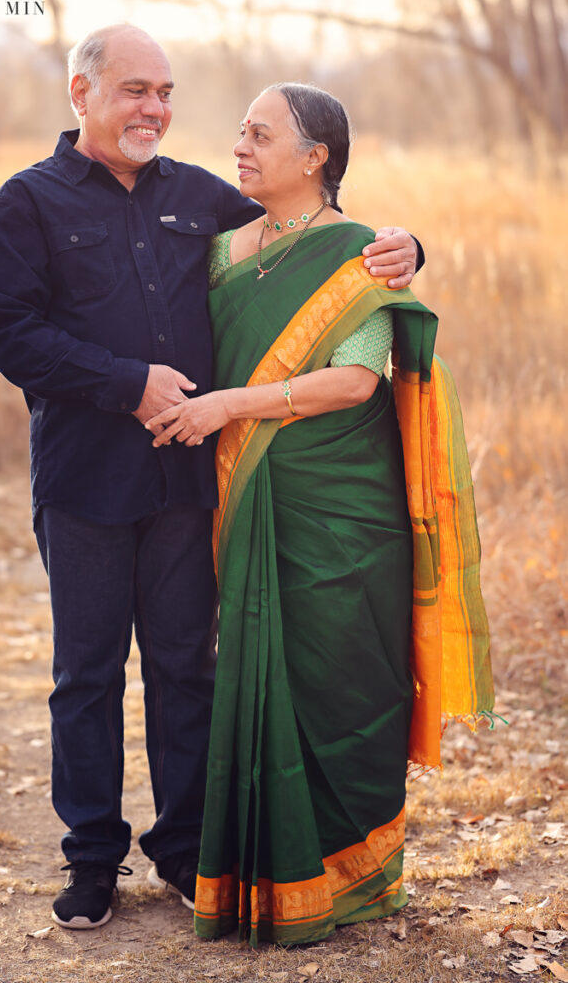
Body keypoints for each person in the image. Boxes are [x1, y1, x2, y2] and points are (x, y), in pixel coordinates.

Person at [0, 26, 423, 932]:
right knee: (86, 675)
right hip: (85, 479)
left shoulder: (197, 196)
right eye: (135, 90)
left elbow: (310, 242)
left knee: (186, 669)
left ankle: (182, 852)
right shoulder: (25, 203)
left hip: (188, 485)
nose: (155, 109)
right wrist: (126, 383)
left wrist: (410, 248)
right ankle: (92, 858)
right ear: (81, 93)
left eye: (166, 91)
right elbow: (11, 337)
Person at [146, 83, 496, 947]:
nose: (241, 145)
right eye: (239, 131)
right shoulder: (222, 250)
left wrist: (229, 407)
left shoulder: (356, 256)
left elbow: (356, 382)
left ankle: (347, 871)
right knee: (256, 675)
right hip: (247, 500)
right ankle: (258, 874)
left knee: (344, 677)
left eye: (260, 135)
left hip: (341, 512)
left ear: (315, 160)